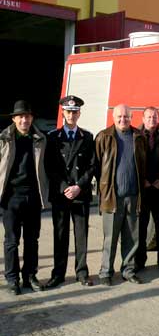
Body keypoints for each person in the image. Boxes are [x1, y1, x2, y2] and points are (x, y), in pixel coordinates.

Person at [45, 95, 96, 288]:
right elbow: (49, 167)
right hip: (61, 194)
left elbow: (92, 166)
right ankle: (58, 274)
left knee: (81, 235)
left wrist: (78, 187)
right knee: (60, 235)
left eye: (75, 112)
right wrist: (64, 187)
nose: (72, 115)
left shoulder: (87, 137)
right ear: (63, 113)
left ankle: (82, 273)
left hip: (79, 193)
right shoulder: (53, 137)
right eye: (68, 112)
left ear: (79, 114)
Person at [95, 104, 147, 286]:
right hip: (112, 197)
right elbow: (97, 166)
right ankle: (105, 273)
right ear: (113, 117)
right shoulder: (104, 137)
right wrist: (102, 191)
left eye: (126, 116)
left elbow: (143, 163)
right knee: (110, 237)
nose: (123, 119)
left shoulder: (139, 137)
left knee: (132, 238)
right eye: (119, 116)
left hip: (133, 196)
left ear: (131, 118)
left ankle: (128, 270)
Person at [0, 100, 49, 295]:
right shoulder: (3, 138)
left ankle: (29, 276)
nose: (24, 120)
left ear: (32, 118)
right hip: (11, 196)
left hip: (33, 196)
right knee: (12, 241)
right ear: (14, 119)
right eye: (20, 116)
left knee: (32, 240)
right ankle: (12, 279)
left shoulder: (40, 139)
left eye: (27, 116)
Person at [135, 106, 159, 274]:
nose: (152, 119)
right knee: (141, 228)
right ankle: (139, 261)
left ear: (158, 118)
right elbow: (132, 162)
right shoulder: (135, 136)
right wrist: (141, 180)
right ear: (143, 119)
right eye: (149, 117)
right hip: (142, 190)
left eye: (154, 116)